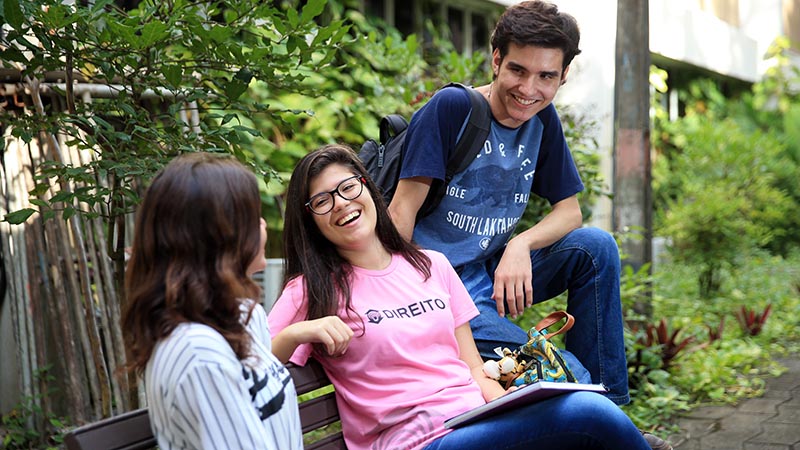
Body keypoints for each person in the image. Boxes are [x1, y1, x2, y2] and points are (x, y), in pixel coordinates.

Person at [268, 144, 651, 450]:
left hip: (475, 423)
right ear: (311, 220)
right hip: (415, 442)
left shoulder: (431, 265)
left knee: (578, 408)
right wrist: (295, 334)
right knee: (589, 413)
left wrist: (513, 402)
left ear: (367, 187)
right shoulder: (310, 290)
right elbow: (248, 368)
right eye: (322, 201)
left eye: (348, 187)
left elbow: (471, 368)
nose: (341, 204)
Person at [121, 152, 302, 450]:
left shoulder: (242, 315)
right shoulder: (197, 354)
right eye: (250, 217)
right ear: (221, 240)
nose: (262, 225)